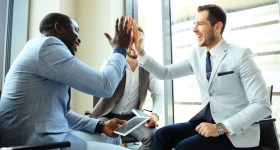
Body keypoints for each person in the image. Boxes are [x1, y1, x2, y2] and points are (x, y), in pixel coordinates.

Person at [135, 4, 272, 150]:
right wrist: (140, 51)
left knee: (184, 147)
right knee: (162, 135)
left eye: (200, 24)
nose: (194, 30)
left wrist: (220, 127)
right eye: (194, 24)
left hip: (234, 132)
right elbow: (165, 73)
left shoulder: (241, 55)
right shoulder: (198, 55)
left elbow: (262, 105)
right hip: (206, 123)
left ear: (217, 27)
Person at [0, 12, 133, 150]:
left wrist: (101, 125)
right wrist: (120, 50)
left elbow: (64, 114)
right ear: (59, 28)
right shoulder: (48, 46)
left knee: (113, 137)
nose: (79, 39)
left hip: (49, 135)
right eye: (76, 30)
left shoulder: (36, 46)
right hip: (35, 143)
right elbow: (105, 86)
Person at [90, 27, 163, 150]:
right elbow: (100, 87)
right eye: (131, 41)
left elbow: (158, 94)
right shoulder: (112, 63)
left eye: (139, 41)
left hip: (133, 119)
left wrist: (154, 115)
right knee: (101, 140)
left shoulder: (148, 67)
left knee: (154, 137)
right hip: (108, 115)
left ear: (143, 44)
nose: (134, 46)